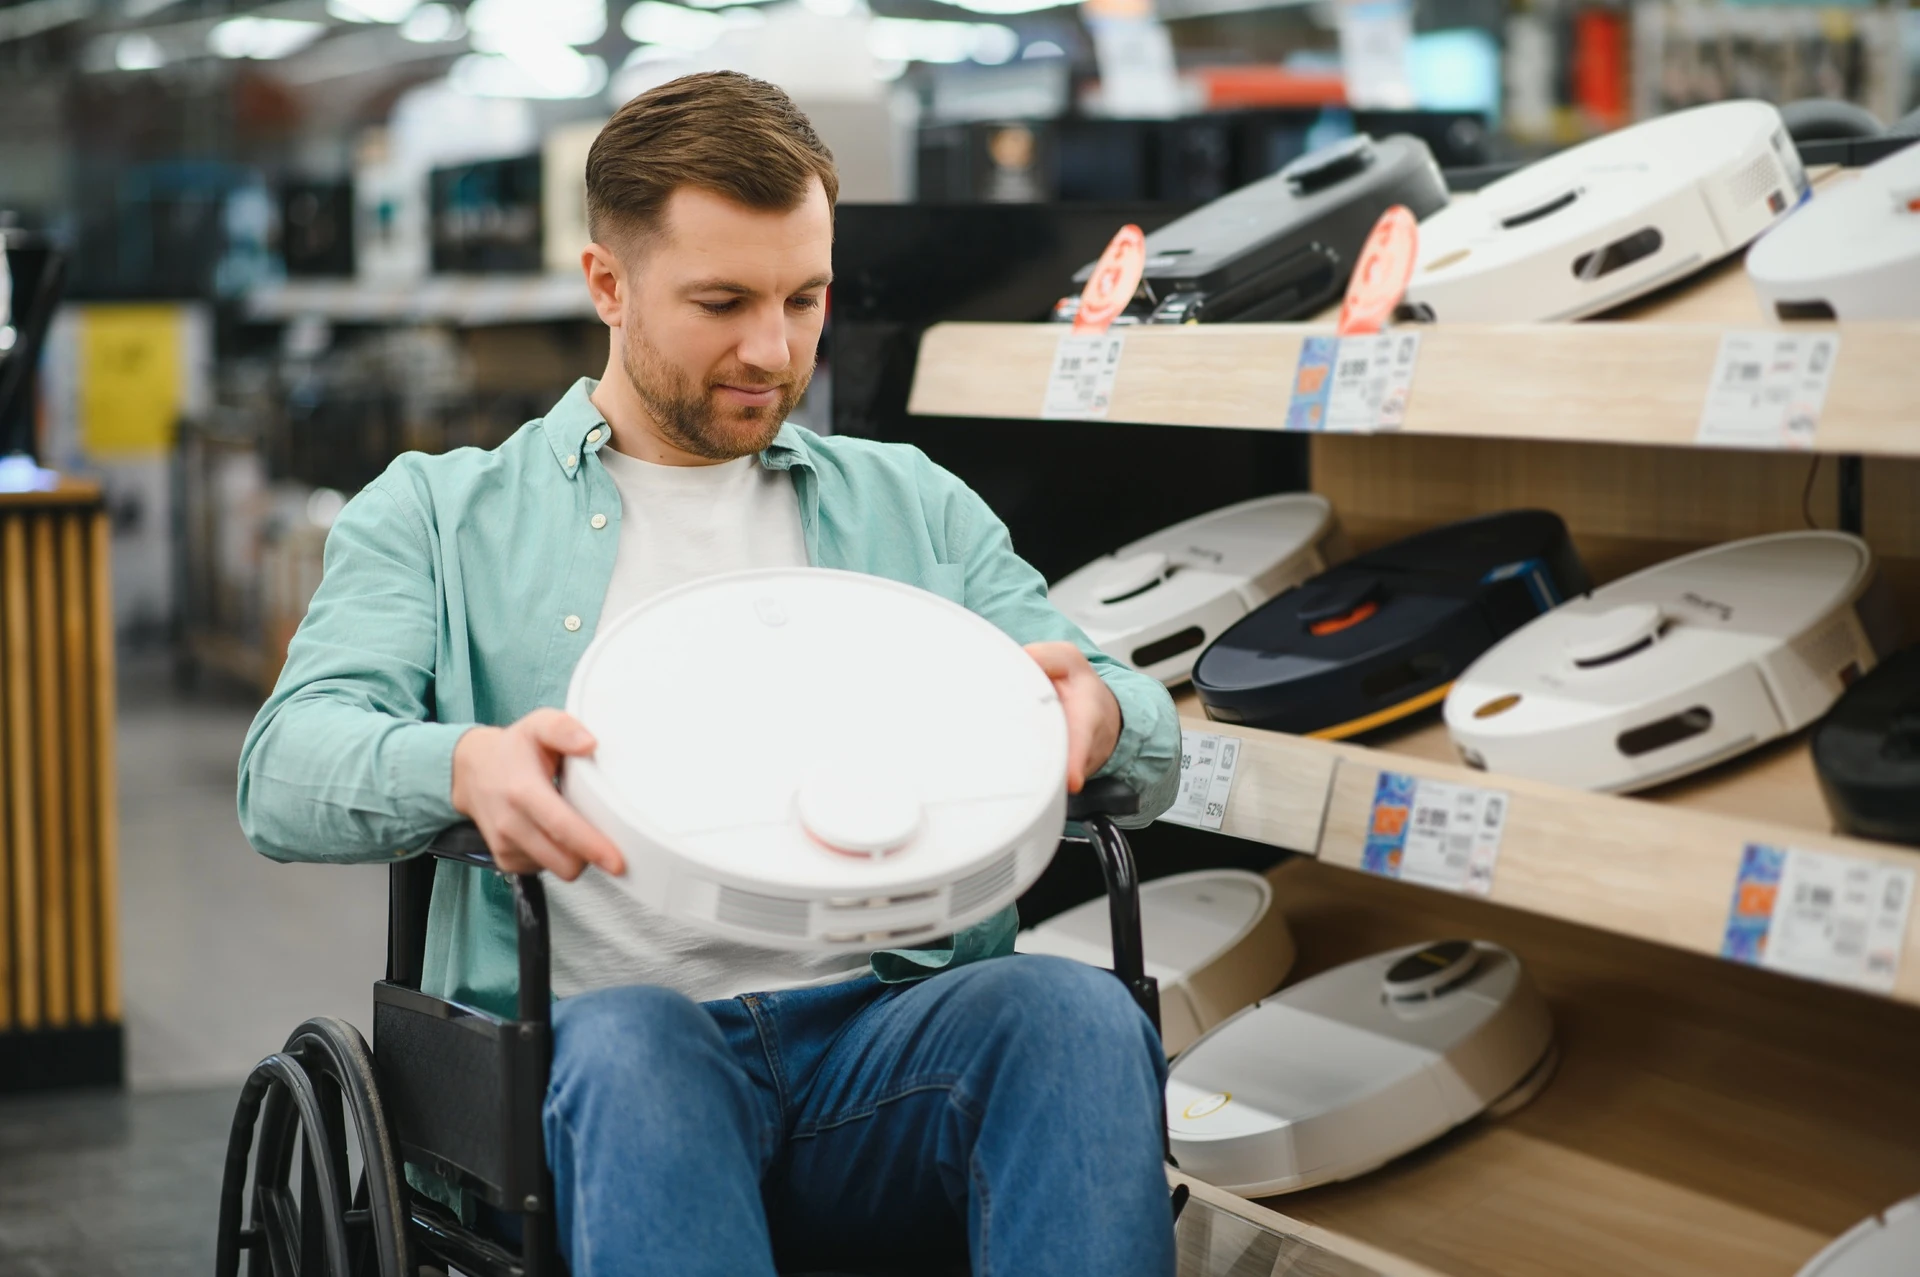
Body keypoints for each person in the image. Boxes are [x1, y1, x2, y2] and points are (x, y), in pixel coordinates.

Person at [237, 71, 1181, 1277]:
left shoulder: (912, 505)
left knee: (1075, 1016)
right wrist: (463, 763)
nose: (773, 350)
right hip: (592, 1056)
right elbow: (284, 770)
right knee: (639, 1046)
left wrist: (1092, 712)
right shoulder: (438, 513)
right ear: (608, 285)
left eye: (805, 298)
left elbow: (1134, 719)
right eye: (723, 301)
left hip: (880, 1039)